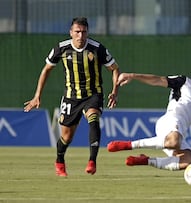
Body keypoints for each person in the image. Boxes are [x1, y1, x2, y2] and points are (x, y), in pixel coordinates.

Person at [24, 17, 120, 177]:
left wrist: (115, 91)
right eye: (77, 32)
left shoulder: (97, 49)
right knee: (66, 137)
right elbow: (46, 70)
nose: (80, 36)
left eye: (84, 32)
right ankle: (59, 159)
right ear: (71, 32)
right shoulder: (61, 48)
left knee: (94, 118)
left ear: (88, 32)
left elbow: (115, 69)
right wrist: (37, 96)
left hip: (93, 94)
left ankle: (92, 161)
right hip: (71, 97)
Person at [107, 58, 191, 177]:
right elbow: (158, 80)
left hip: (178, 133)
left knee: (188, 160)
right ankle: (128, 145)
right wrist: (133, 76)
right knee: (174, 141)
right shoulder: (184, 82)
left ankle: (146, 160)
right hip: (169, 122)